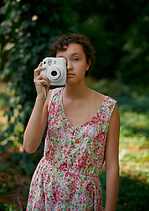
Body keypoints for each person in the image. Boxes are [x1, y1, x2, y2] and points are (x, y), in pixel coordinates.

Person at [23, 33, 120, 211]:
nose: (68, 67)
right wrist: (40, 97)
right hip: (46, 189)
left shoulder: (108, 108)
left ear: (88, 63)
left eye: (76, 59)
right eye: (62, 61)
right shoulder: (49, 98)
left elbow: (112, 165)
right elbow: (29, 147)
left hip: (83, 197)